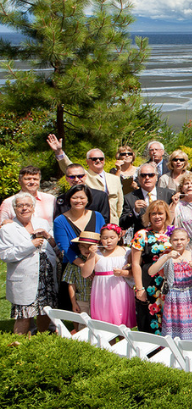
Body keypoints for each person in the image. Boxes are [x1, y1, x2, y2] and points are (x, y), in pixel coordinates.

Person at [0, 193, 57, 335]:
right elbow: (5, 255)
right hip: (24, 278)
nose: (24, 208)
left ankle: (41, 341)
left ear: (33, 207)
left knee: (45, 311)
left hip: (46, 275)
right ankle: (19, 347)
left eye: (28, 205)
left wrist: (47, 236)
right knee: (24, 315)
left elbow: (54, 246)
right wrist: (30, 245)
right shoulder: (7, 229)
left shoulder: (42, 223)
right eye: (20, 205)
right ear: (14, 208)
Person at [48, 135, 125, 225]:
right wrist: (59, 152)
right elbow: (68, 166)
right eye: (94, 159)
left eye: (101, 159)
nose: (98, 160)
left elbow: (120, 203)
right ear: (87, 161)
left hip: (113, 224)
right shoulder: (82, 176)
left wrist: (118, 222)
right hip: (92, 223)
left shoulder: (114, 178)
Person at [148, 228, 192, 340]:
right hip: (173, 295)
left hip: (189, 294)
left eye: (182, 239)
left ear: (188, 240)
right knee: (173, 325)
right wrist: (167, 257)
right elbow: (151, 272)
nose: (179, 242)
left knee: (190, 324)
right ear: (171, 241)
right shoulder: (168, 256)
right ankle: (173, 351)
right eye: (175, 240)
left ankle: (191, 351)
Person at [130, 200, 172, 334]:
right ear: (148, 216)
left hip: (169, 283)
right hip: (148, 282)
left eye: (160, 213)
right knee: (149, 318)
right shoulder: (142, 235)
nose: (157, 216)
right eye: (153, 213)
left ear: (166, 215)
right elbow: (136, 263)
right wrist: (139, 288)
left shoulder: (173, 233)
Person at [81, 224, 135, 327]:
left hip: (121, 289)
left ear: (119, 237)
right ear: (100, 239)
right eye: (105, 238)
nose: (108, 241)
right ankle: (108, 342)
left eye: (112, 238)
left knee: (121, 320)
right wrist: (91, 255)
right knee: (104, 321)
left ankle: (123, 340)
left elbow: (133, 272)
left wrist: (123, 273)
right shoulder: (96, 253)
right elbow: (85, 274)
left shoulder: (126, 251)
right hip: (102, 290)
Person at [54, 184, 106, 268]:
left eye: (82, 198)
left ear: (88, 200)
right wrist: (84, 266)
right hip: (73, 266)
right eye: (74, 198)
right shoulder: (60, 221)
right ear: (69, 199)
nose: (78, 201)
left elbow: (103, 239)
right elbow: (65, 248)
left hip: (97, 264)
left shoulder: (98, 216)